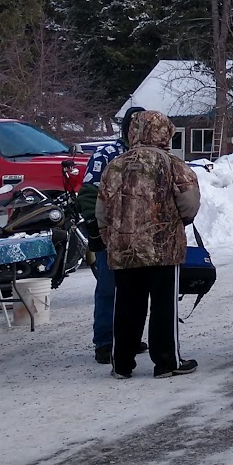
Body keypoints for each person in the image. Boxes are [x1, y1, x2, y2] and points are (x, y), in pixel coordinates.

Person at [96, 110, 201, 379]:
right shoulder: (172, 164)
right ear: (164, 132)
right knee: (164, 306)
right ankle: (167, 362)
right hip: (162, 248)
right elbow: (189, 204)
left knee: (127, 305)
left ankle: (122, 363)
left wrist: (111, 236)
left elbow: (101, 210)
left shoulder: (115, 165)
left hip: (124, 249)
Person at [77, 104, 144, 365]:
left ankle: (129, 337)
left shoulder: (150, 154)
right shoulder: (108, 153)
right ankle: (105, 342)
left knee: (137, 289)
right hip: (111, 233)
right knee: (109, 288)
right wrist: (95, 228)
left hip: (142, 235)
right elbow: (88, 192)